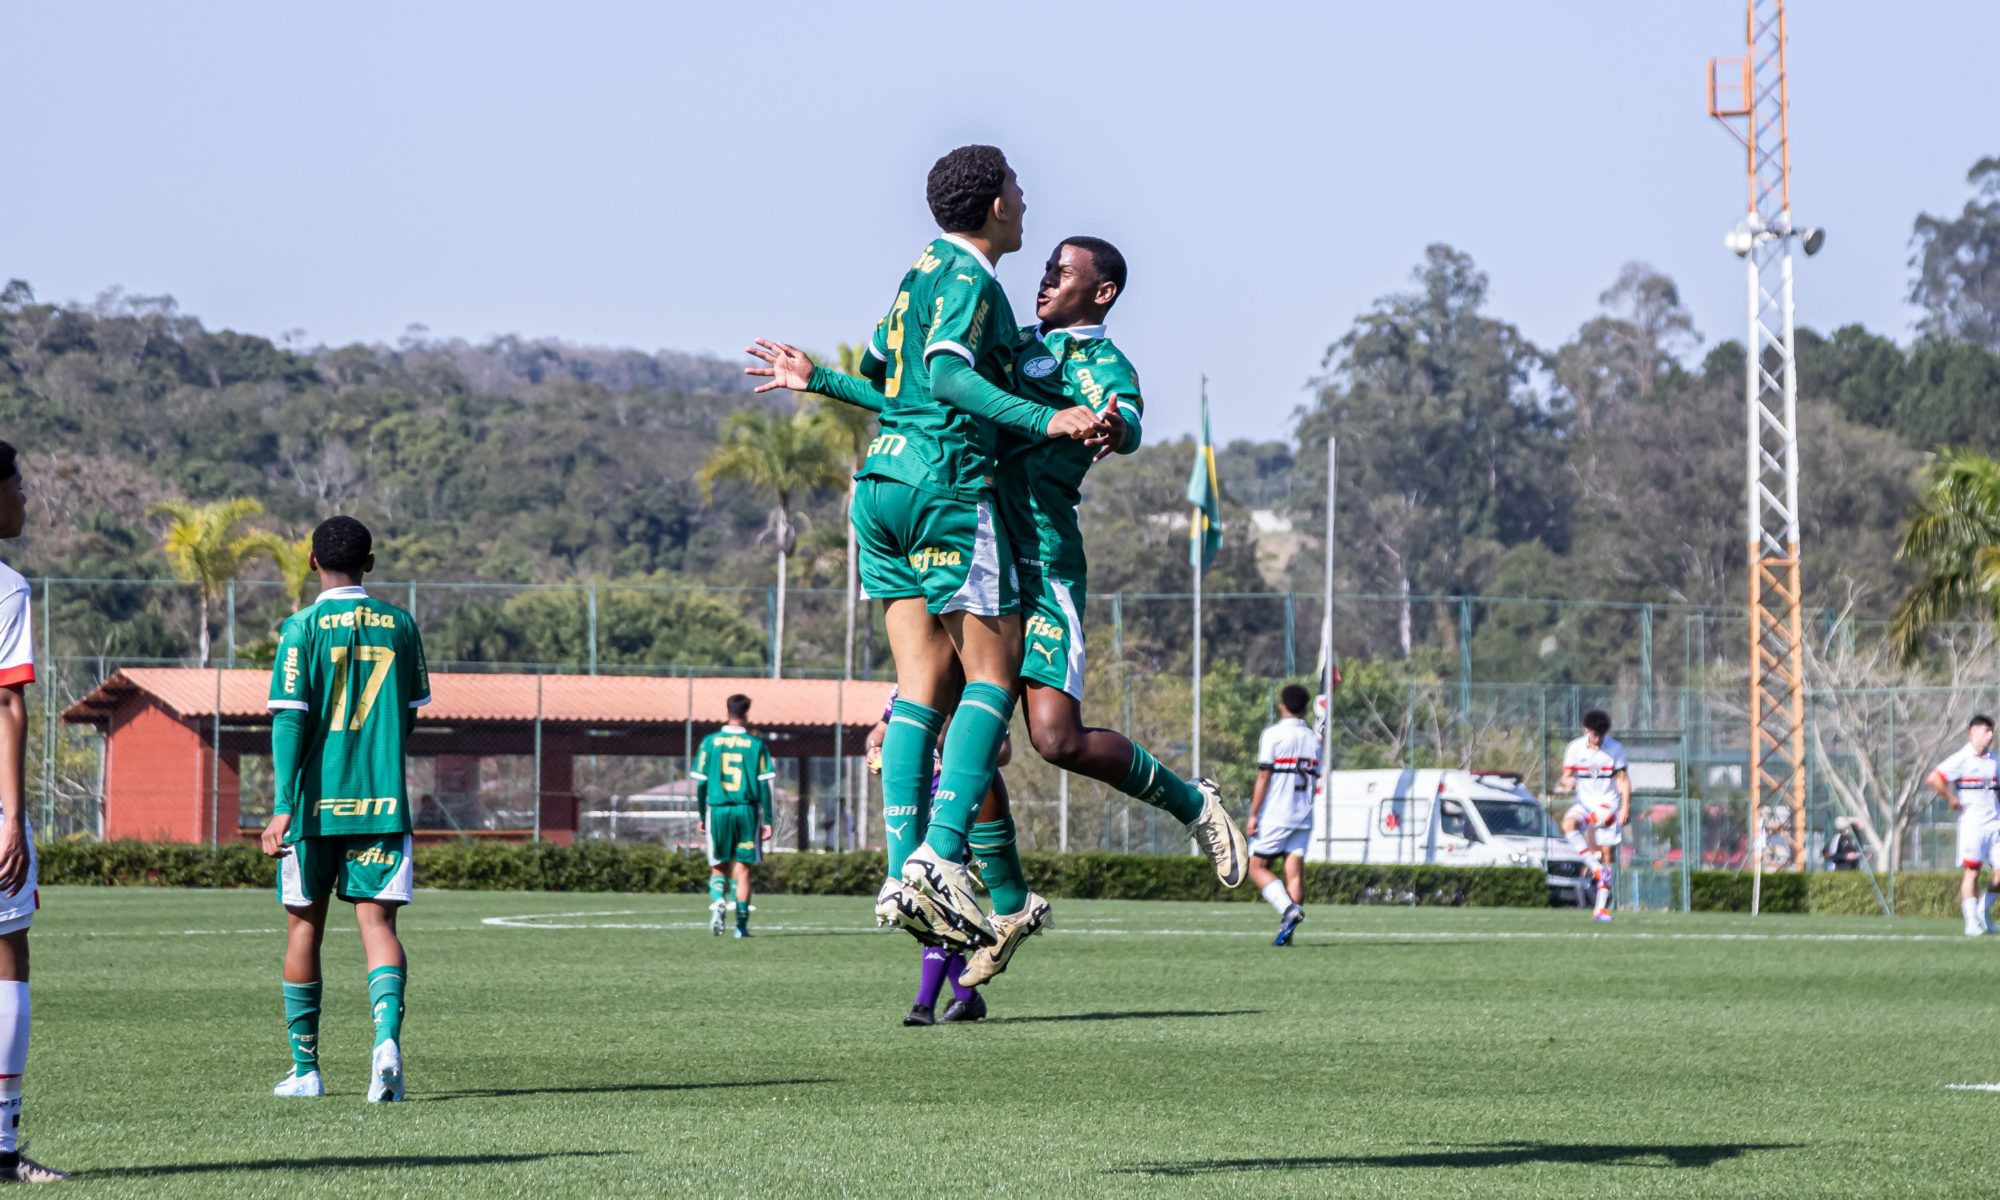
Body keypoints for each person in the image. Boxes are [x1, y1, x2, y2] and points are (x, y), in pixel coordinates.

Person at [747, 144, 1102, 951]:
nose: (1024, 192)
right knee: (994, 671)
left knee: (916, 687)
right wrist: (1047, 416)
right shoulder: (974, 280)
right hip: (945, 483)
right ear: (997, 207)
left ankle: (901, 867)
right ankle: (940, 858)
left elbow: (885, 373)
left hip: (879, 487)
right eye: (1016, 183)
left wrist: (821, 381)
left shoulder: (918, 272)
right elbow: (942, 377)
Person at [261, 516, 431, 1103]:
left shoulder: (301, 627)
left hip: (312, 811)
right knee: (377, 925)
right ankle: (385, 1042)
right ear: (371, 562)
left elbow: (289, 717)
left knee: (304, 926)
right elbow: (407, 714)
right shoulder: (401, 625)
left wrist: (282, 805)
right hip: (382, 802)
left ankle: (305, 1070)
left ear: (311, 561)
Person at [865, 687, 1009, 1024]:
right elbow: (879, 732)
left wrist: (952, 745)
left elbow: (1002, 750)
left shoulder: (978, 686)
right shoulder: (908, 686)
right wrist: (874, 750)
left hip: (952, 810)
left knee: (936, 896)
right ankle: (966, 996)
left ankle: (923, 1005)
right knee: (915, 903)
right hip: (912, 807)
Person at [0, 444, 64, 1180]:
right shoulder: (6, 587)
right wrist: (13, 817)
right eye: (16, 488)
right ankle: (2, 1147)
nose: (24, 501)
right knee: (6, 956)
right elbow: (7, 702)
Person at [691, 695, 776, 939]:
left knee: (718, 867)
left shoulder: (710, 742)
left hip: (717, 809)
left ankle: (718, 899)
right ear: (747, 713)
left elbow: (700, 784)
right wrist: (768, 819)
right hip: (746, 810)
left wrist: (701, 814)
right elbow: (764, 786)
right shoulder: (756, 744)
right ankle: (740, 927)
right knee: (743, 870)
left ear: (727, 711)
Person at [1246, 686, 1319, 947]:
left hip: (1278, 813)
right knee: (1294, 873)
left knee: (1256, 867)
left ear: (1282, 706)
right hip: (1304, 814)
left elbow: (1264, 775)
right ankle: (1288, 931)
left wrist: (1253, 814)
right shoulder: (1313, 739)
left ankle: (1288, 909)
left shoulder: (1273, 735)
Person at [1928, 714, 1999, 936]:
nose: (1990, 735)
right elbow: (1935, 778)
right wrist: (1951, 799)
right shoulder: (1962, 758)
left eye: (1991, 731)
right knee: (1973, 872)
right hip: (1973, 825)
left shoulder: (1995, 760)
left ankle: (1982, 911)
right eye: (1986, 730)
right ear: (1973, 732)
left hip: (1995, 825)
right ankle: (1970, 922)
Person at [1557, 710, 1630, 923]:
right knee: (1568, 825)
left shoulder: (1615, 749)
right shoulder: (1575, 748)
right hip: (1584, 803)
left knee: (1608, 853)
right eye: (1594, 734)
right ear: (1586, 730)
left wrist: (1625, 807)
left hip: (1607, 804)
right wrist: (1566, 782)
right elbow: (1565, 776)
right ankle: (1595, 868)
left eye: (1601, 735)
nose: (1597, 739)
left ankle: (1600, 909)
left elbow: (1624, 780)